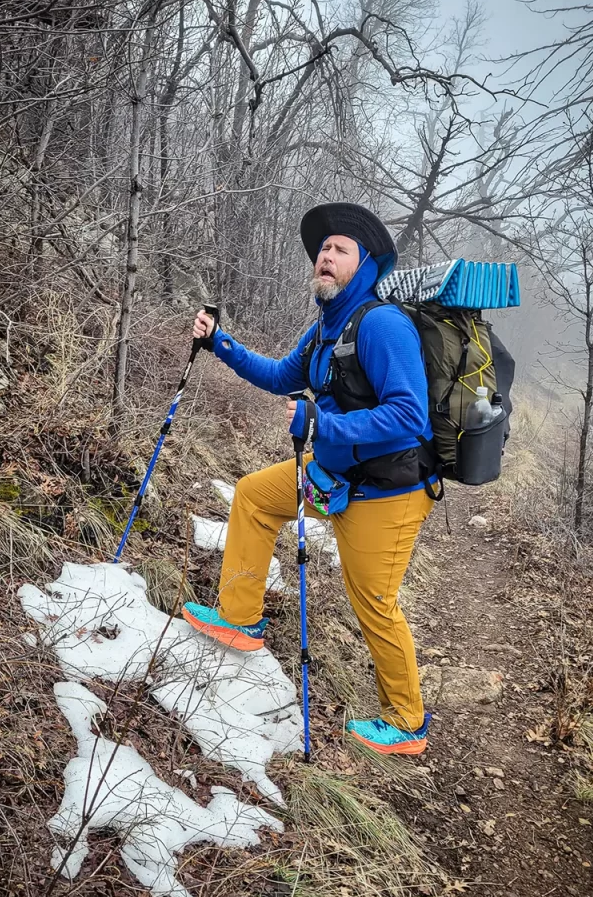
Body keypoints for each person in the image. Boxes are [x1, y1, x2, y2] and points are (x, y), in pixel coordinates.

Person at [182, 202, 436, 756]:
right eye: (323, 248)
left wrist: (324, 423)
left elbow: (409, 415)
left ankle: (407, 722)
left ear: (365, 266)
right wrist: (220, 342)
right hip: (333, 475)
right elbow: (280, 376)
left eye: (341, 249)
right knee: (254, 495)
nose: (326, 255)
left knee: (373, 602)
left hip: (387, 493)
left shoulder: (382, 325)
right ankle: (239, 617)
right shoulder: (325, 327)